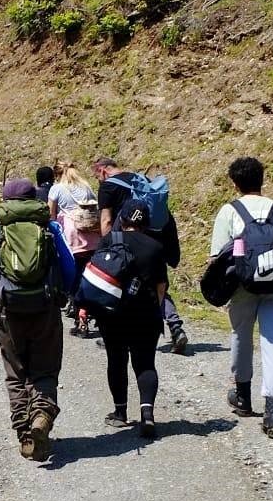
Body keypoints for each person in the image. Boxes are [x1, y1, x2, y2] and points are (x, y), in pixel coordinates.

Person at [0, 178, 75, 461]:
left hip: (8, 311)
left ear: (6, 201)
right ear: (34, 199)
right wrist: (64, 292)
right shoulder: (50, 227)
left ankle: (25, 434)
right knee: (45, 369)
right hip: (45, 308)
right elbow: (69, 267)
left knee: (16, 372)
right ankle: (41, 415)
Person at [210, 156, 273, 438]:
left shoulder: (229, 212)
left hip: (243, 289)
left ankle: (242, 397)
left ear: (234, 183)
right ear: (262, 180)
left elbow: (216, 259)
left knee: (241, 336)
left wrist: (222, 291)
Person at [86, 197, 168, 438]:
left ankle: (120, 413)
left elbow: (96, 275)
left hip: (112, 314)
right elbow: (161, 286)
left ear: (121, 219)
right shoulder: (155, 247)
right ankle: (147, 414)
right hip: (145, 314)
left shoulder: (109, 240)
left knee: (116, 360)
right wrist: (156, 308)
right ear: (147, 222)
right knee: (145, 363)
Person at [93, 156, 189, 354]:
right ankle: (175, 327)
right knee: (155, 283)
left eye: (97, 177)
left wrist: (107, 247)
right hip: (156, 238)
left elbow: (106, 220)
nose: (99, 181)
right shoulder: (138, 179)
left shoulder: (108, 186)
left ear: (102, 170)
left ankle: (115, 332)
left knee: (121, 284)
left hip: (127, 240)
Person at [49, 163, 102, 336]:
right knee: (90, 278)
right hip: (93, 237)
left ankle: (81, 319)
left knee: (74, 279)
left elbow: (51, 216)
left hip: (72, 238)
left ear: (57, 175)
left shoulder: (57, 189)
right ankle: (94, 313)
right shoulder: (86, 187)